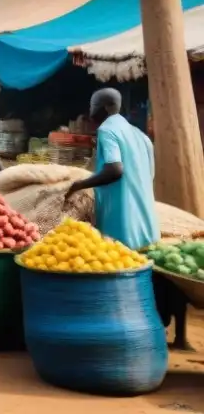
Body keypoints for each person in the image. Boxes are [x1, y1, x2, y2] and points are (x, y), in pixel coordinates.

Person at [62, 90, 181, 346]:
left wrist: (79, 185)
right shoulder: (140, 136)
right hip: (146, 218)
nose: (89, 113)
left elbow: (115, 170)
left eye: (92, 107)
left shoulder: (107, 131)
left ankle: (129, 335)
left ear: (104, 107)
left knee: (123, 278)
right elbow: (147, 177)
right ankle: (169, 333)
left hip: (121, 219)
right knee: (151, 274)